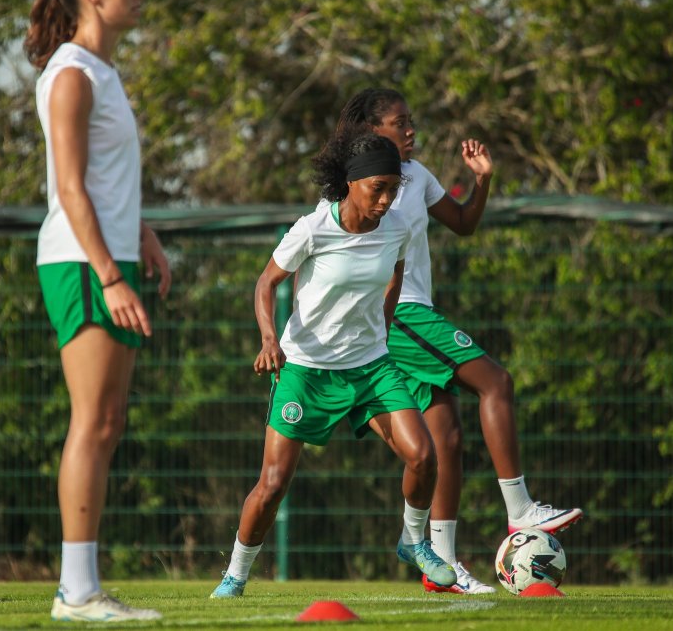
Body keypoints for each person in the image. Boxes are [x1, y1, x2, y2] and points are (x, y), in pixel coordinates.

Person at [334, 88, 583, 595]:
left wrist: (482, 182)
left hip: (413, 313)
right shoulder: (356, 187)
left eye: (411, 121)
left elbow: (465, 224)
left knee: (445, 440)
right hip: (396, 316)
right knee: (496, 381)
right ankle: (521, 509)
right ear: (371, 131)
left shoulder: (417, 175)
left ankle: (441, 569)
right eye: (399, 123)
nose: (410, 130)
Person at [210, 133, 458, 598]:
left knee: (424, 456)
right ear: (350, 183)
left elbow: (396, 275)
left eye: (394, 190)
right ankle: (236, 574)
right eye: (377, 188)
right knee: (273, 482)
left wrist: (381, 330)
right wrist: (269, 339)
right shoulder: (312, 228)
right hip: (306, 368)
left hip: (371, 367)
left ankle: (413, 541)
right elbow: (266, 283)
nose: (386, 200)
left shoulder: (397, 228)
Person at [24, 0, 169, 622]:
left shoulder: (103, 71)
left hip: (110, 259)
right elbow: (71, 187)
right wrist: (112, 276)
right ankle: (75, 591)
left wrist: (142, 239)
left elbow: (108, 184)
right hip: (84, 267)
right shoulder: (72, 75)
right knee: (94, 420)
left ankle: (81, 586)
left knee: (108, 421)